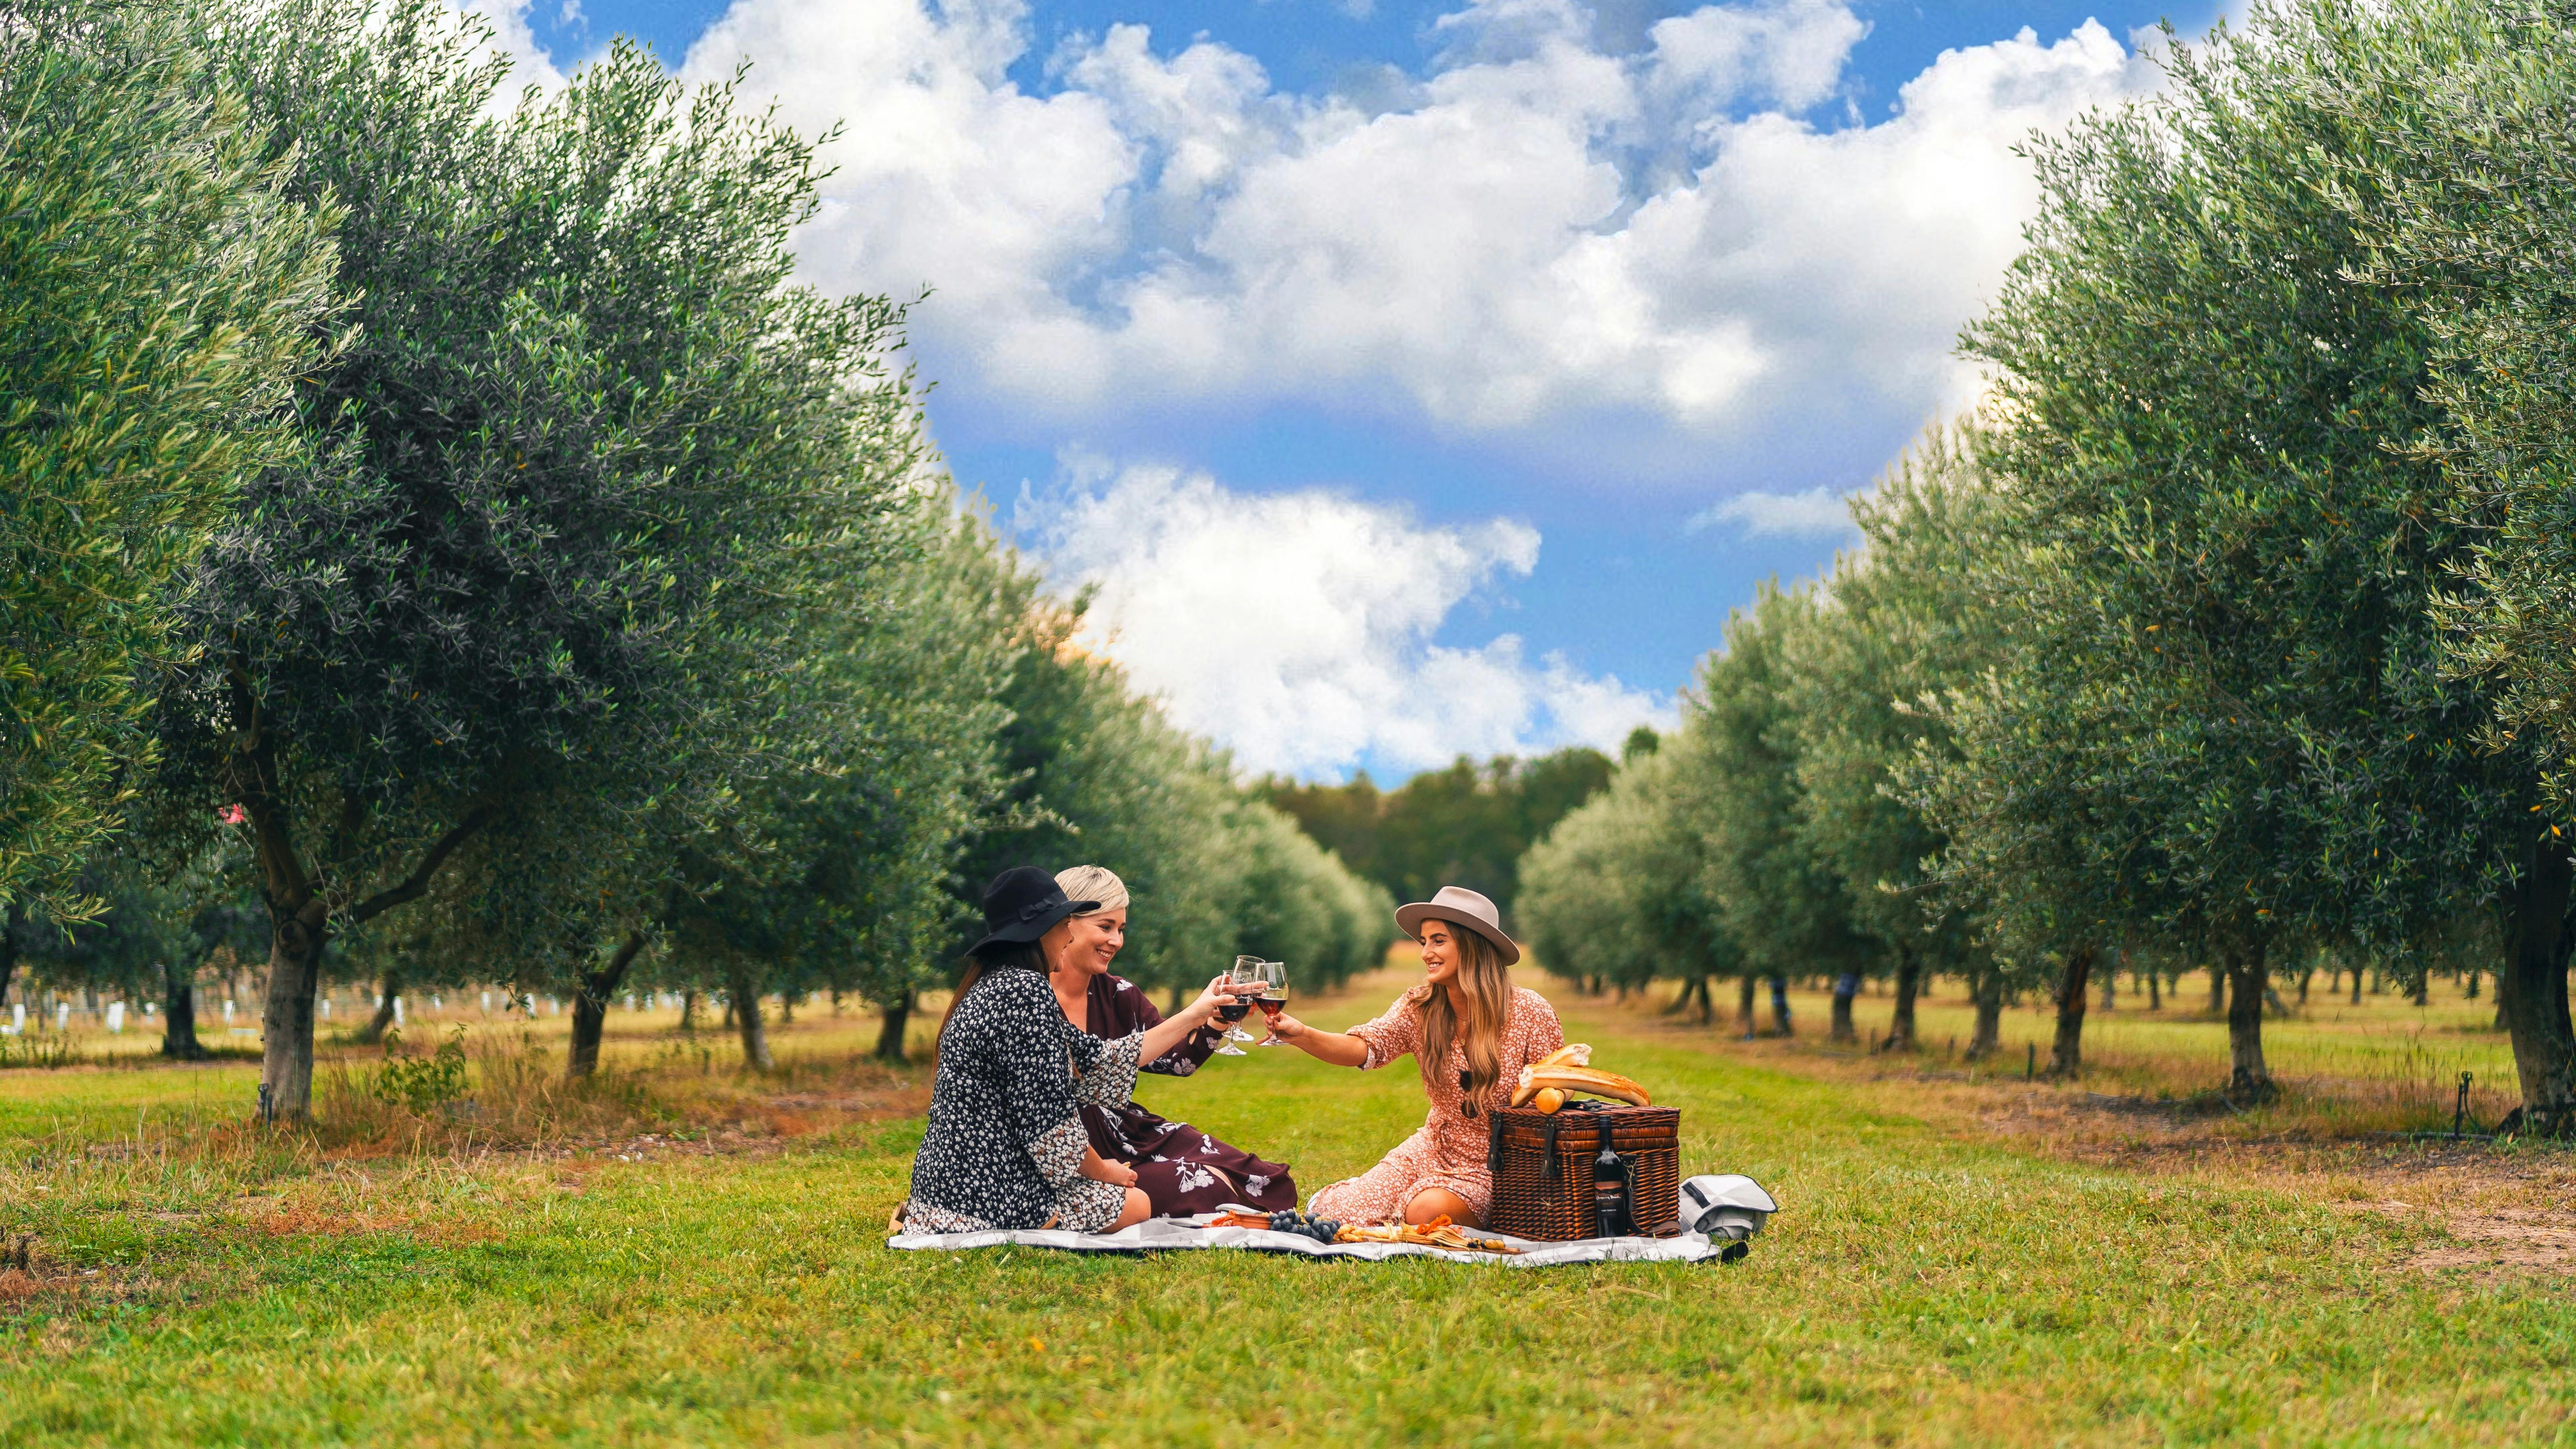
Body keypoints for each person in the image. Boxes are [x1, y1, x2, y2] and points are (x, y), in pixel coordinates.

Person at [898, 867, 1240, 1235]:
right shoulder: (1027, 991)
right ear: (1041, 930)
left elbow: (1099, 1059)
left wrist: (1198, 1014)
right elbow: (1049, 1126)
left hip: (943, 1186)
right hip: (992, 1191)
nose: (1069, 934)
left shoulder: (991, 984)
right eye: (1064, 924)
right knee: (1138, 1203)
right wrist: (1105, 1171)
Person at [1264, 885, 1564, 1228]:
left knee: (1425, 1213)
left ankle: (1422, 1206)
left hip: (1502, 1166)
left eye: (1438, 941)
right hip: (1433, 1148)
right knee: (1336, 1213)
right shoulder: (1421, 1007)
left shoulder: (1530, 1012)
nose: (1425, 953)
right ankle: (1398, 1200)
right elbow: (1365, 1047)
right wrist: (1302, 1034)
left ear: (1472, 945)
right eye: (1424, 942)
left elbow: (1554, 1096)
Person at [1048, 865, 1299, 1217]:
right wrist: (1193, 1014)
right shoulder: (1030, 998)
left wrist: (1214, 1019)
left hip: (1129, 1134)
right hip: (1074, 1149)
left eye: (1121, 929)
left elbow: (1177, 1061)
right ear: (1066, 922)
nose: (1117, 941)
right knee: (1205, 1182)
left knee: (1262, 1177)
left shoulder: (1120, 995)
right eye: (1105, 927)